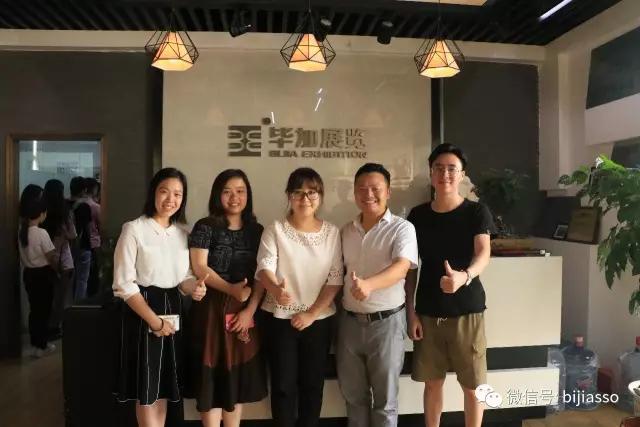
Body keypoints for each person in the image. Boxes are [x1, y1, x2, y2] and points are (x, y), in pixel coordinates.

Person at [405, 143, 495, 427]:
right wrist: (411, 313)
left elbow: (483, 253)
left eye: (452, 169)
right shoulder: (417, 216)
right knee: (432, 384)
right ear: (431, 173)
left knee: (472, 386)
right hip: (428, 313)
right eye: (439, 168)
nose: (445, 174)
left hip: (467, 312)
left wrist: (463, 277)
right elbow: (410, 268)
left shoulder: (476, 212)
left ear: (462, 174)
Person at [112, 167, 207, 427]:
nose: (171, 199)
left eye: (178, 194)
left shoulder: (183, 233)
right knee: (147, 387)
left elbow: (183, 279)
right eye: (164, 191)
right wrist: (154, 321)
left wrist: (194, 288)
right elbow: (123, 284)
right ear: (153, 193)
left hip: (173, 310)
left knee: (163, 386)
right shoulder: (133, 229)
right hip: (142, 310)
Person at [256, 167, 343, 427]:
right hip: (279, 319)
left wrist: (311, 314)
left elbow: (335, 279)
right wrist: (276, 290)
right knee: (283, 386)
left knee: (312, 385)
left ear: (321, 196)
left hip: (319, 320)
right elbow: (264, 268)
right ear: (289, 196)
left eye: (312, 192)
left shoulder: (332, 233)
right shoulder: (275, 229)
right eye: (298, 192)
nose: (305, 198)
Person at [337, 162, 418, 427]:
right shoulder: (346, 231)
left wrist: (369, 285)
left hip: (387, 324)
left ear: (388, 192)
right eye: (362, 188)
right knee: (354, 398)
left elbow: (402, 267)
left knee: (385, 402)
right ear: (354, 193)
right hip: (349, 324)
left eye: (375, 188)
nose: (368, 194)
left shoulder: (402, 228)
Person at [187, 169, 268, 427]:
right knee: (210, 376)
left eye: (240, 191)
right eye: (227, 191)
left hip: (244, 310)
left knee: (236, 377)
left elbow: (262, 274)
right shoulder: (205, 226)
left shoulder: (257, 230)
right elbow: (199, 266)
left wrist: (250, 310)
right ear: (217, 195)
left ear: (248, 195)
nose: (234, 197)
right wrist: (230, 289)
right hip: (210, 309)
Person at [18, 184, 58, 357]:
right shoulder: (42, 233)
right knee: (44, 310)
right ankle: (42, 345)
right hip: (43, 275)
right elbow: (51, 256)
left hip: (28, 274)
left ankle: (35, 343)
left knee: (35, 311)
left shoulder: (21, 232)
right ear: (41, 213)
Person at [42, 179, 77, 338]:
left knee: (47, 297)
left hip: (45, 261)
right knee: (61, 297)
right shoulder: (64, 213)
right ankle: (55, 327)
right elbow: (73, 234)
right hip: (64, 261)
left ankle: (47, 327)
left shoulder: (42, 212)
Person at [84, 177, 102, 296]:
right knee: (94, 272)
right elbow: (101, 225)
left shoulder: (78, 203)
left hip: (81, 243)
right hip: (94, 242)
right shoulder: (95, 206)